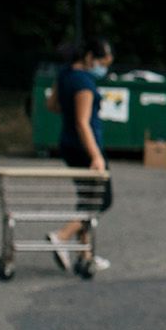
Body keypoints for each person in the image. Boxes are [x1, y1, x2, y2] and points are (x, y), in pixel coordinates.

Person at [45, 37, 115, 273]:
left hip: (68, 146)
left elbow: (52, 106)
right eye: (104, 59)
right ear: (89, 58)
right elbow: (82, 123)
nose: (106, 64)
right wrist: (96, 156)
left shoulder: (64, 74)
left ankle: (86, 255)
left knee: (87, 198)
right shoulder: (84, 83)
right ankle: (62, 236)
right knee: (102, 200)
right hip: (85, 148)